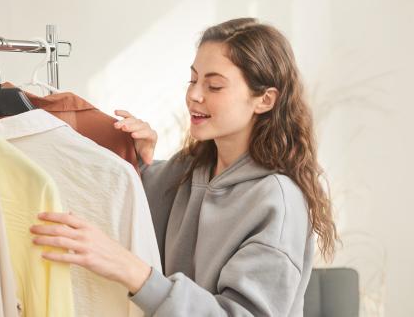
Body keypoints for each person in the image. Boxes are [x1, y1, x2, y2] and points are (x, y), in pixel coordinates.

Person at [30, 18, 337, 316]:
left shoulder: (277, 202)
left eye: (214, 86)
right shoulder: (189, 169)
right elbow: (126, 211)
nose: (194, 95)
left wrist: (134, 272)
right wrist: (138, 160)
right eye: (193, 80)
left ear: (265, 100)